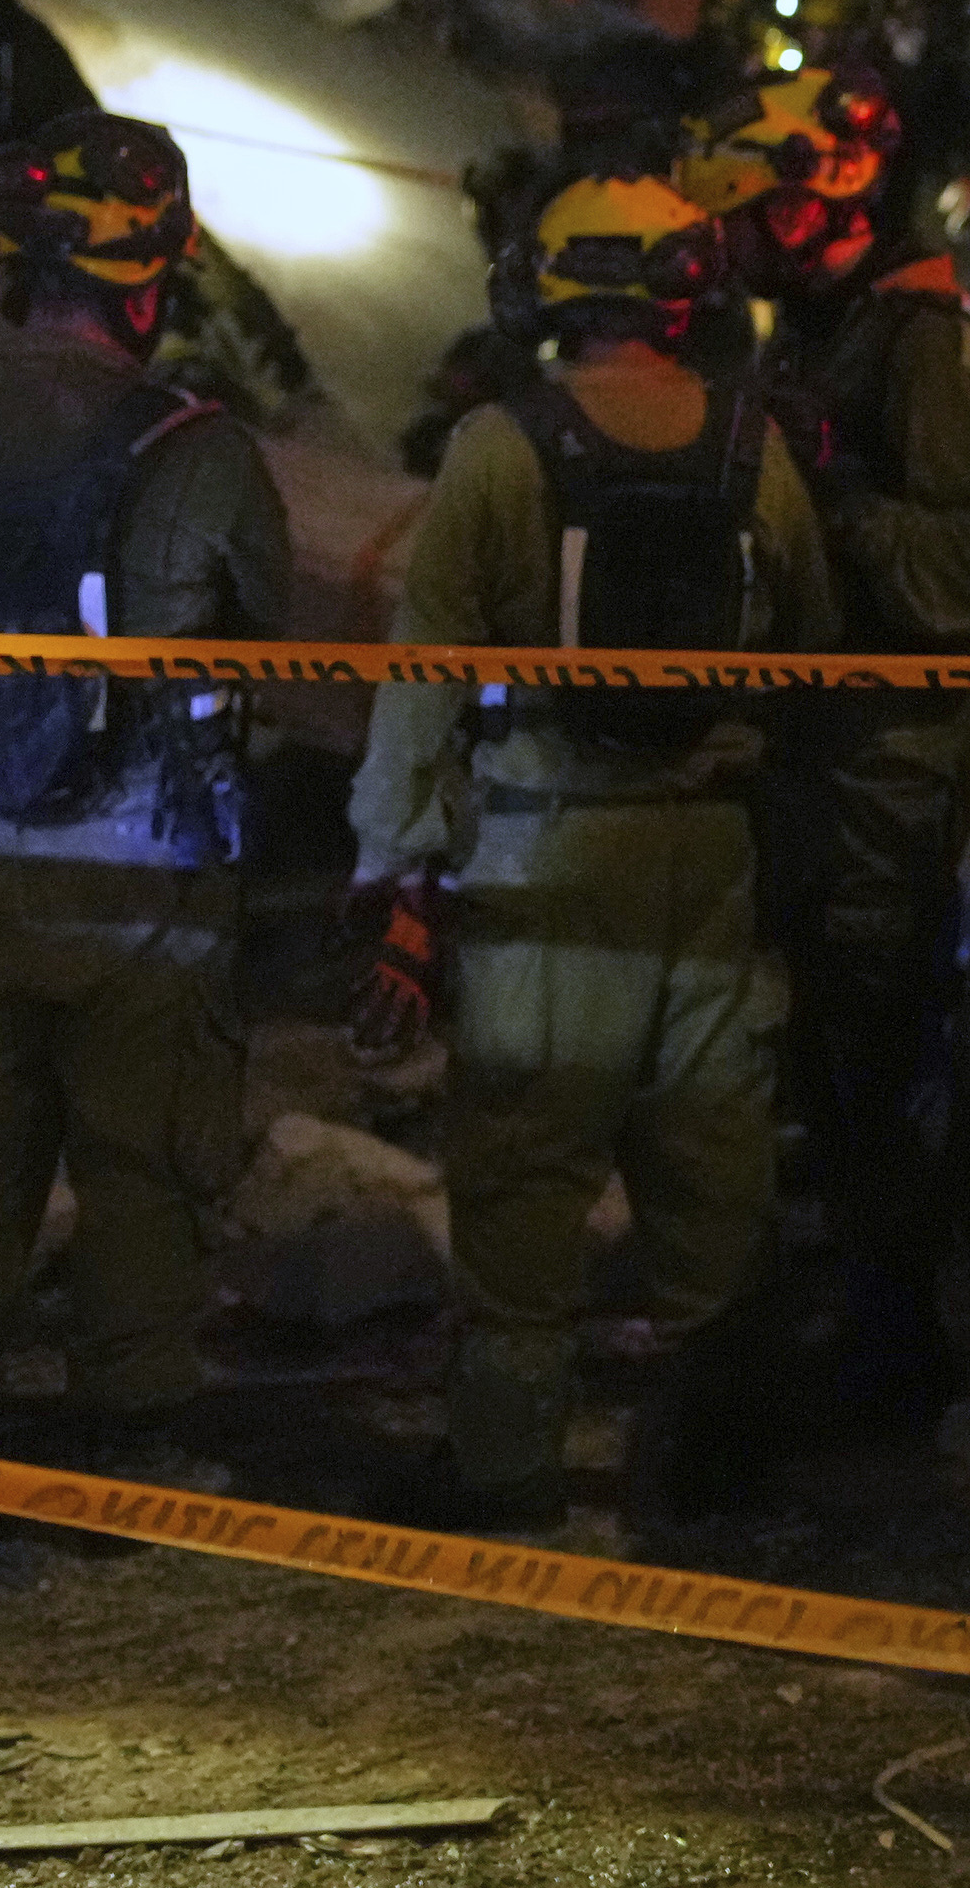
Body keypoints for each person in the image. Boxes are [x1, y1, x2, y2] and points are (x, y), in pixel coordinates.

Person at [344, 172, 834, 1531]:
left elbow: (426, 668)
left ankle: (504, 1469)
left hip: (545, 856)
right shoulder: (759, 449)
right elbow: (811, 639)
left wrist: (400, 871)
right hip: (711, 858)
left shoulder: (499, 447)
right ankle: (719, 1472)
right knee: (714, 1155)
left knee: (523, 1164)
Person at [0, 119, 293, 1483]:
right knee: (144, 1166)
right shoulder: (197, 446)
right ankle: (137, 1435)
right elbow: (268, 643)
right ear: (150, 278)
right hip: (144, 889)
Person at [680, 60, 970, 1422]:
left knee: (877, 1051)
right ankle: (848, 1313)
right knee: (825, 1064)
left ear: (831, 200)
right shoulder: (825, 334)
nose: (740, 243)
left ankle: (899, 1349)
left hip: (889, 763)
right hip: (816, 751)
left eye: (758, 215)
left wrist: (832, 489)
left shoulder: (934, 351)